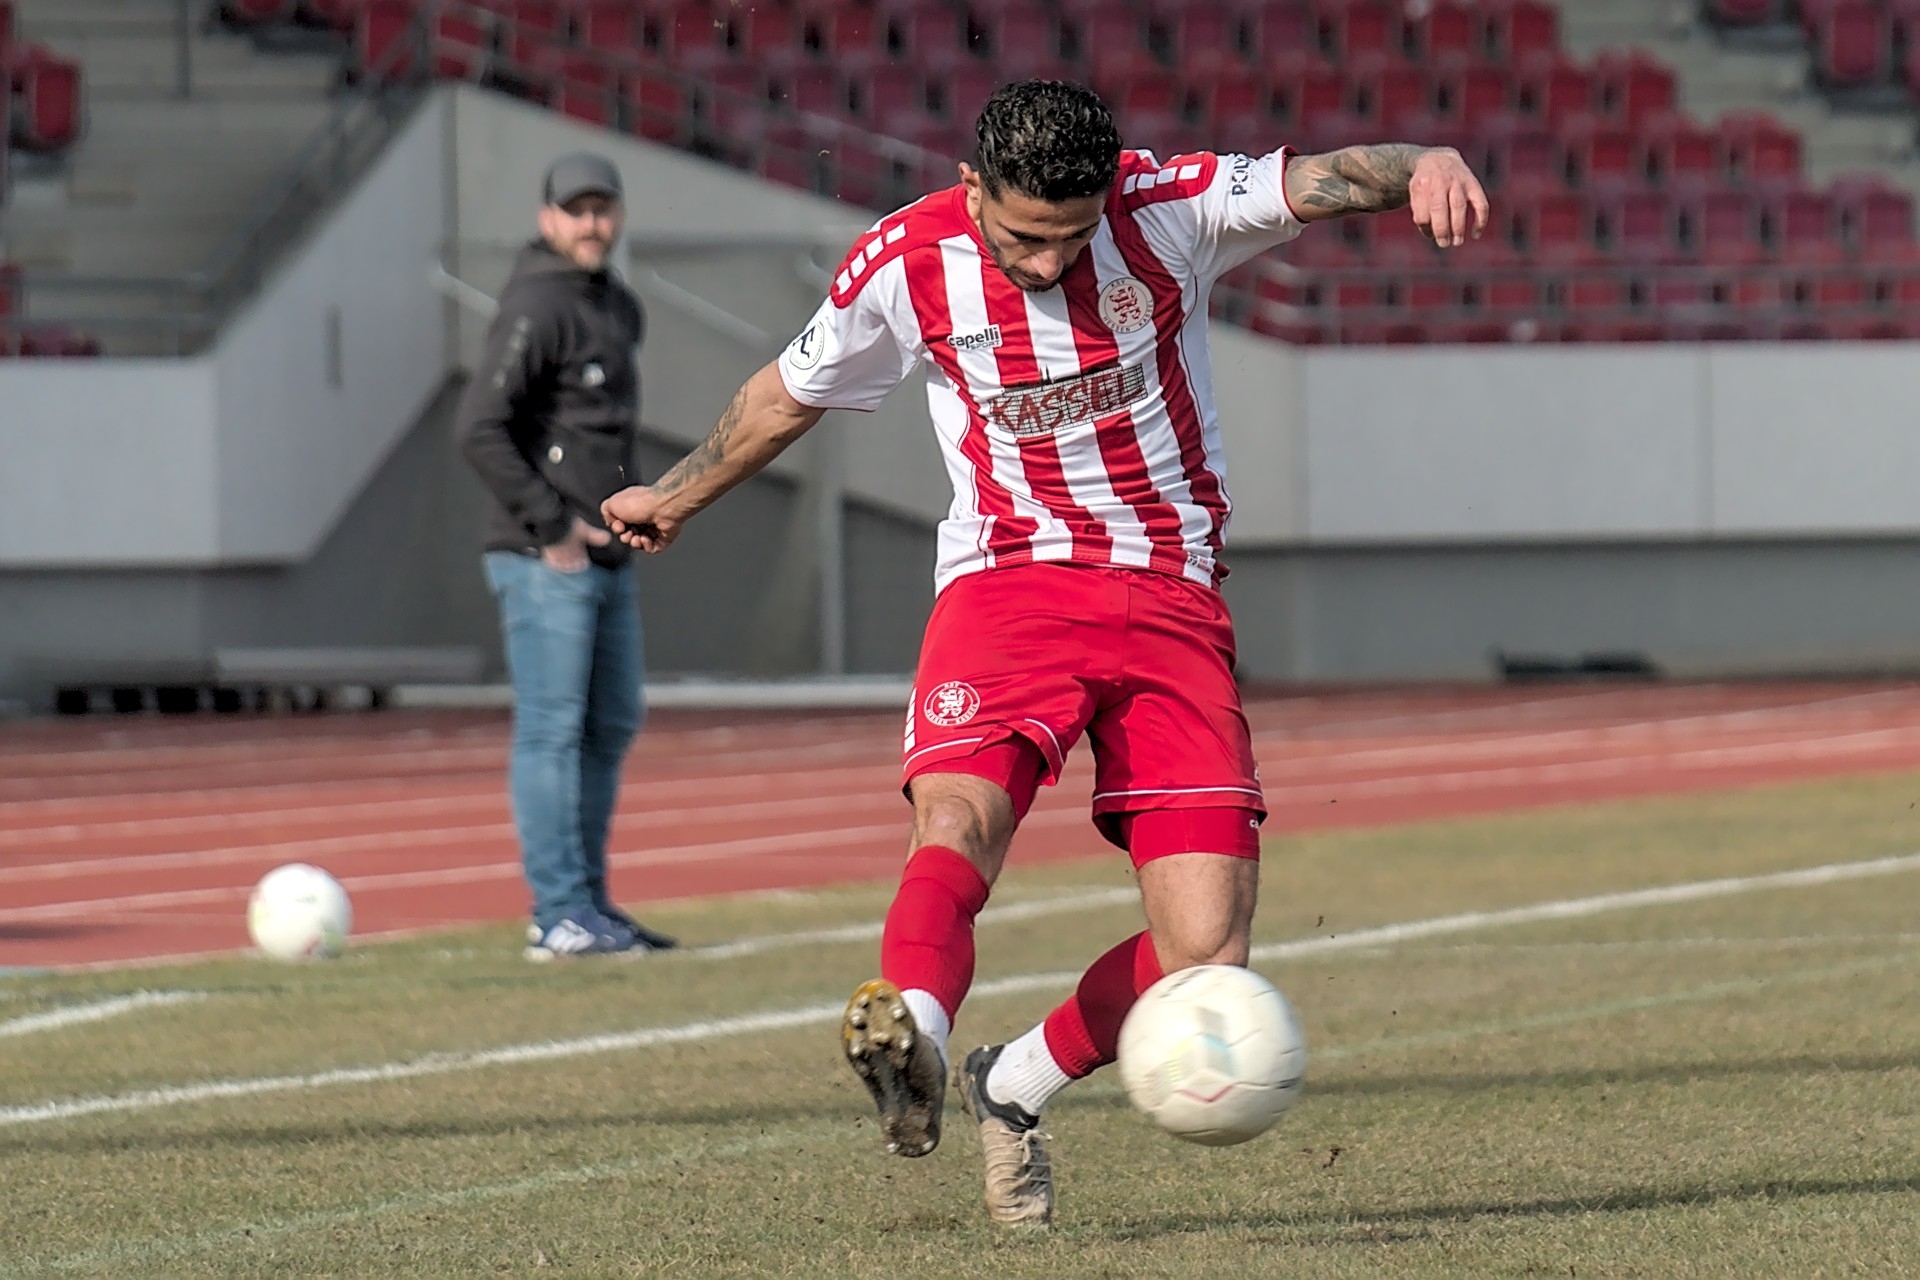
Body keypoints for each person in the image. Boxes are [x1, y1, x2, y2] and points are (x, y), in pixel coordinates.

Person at [600, 81, 1488, 1221]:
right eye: (1023, 237)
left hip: (1171, 595)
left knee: (1208, 950)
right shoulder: (905, 261)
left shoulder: (1168, 207)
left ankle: (1012, 1082)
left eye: (1071, 237)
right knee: (959, 817)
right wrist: (673, 497)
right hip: (1007, 586)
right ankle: (915, 1033)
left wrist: (1425, 158)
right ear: (972, 187)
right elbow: (783, 398)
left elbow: (1324, 179)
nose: (1046, 262)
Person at [456, 151, 678, 961]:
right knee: (552, 731)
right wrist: (552, 528)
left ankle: (591, 905)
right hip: (544, 557)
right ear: (548, 218)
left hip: (604, 556)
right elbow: (479, 428)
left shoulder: (616, 303)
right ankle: (557, 912)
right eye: (576, 210)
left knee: (610, 723)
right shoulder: (537, 303)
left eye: (602, 208)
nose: (591, 223)